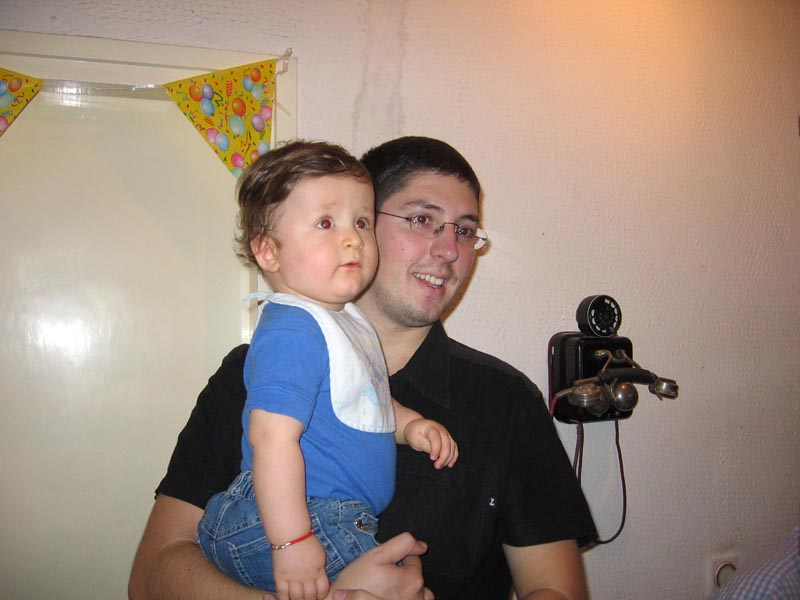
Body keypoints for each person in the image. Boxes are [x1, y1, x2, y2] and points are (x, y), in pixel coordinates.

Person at [129, 136, 598, 600]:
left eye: (464, 230)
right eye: (421, 219)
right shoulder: (250, 371)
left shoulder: (507, 401)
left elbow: (556, 589)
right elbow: (152, 577)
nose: (450, 250)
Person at [196, 141, 458, 599]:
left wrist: (409, 425)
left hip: (329, 516)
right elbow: (271, 439)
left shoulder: (344, 321)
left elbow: (365, 398)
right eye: (325, 223)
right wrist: (292, 542)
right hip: (291, 517)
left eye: (361, 222)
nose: (353, 238)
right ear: (268, 252)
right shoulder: (294, 329)